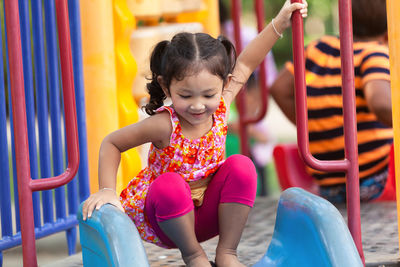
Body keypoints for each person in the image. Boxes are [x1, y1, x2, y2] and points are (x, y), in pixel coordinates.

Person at [82, 1, 308, 266]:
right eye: (186, 95)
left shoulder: (222, 104)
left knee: (242, 166)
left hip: (210, 214)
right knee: (170, 184)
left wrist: (280, 21)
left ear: (223, 84)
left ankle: (227, 253)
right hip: (168, 220)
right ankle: (194, 256)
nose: (198, 105)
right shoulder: (165, 124)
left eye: (209, 94)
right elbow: (112, 142)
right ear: (166, 88)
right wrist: (108, 190)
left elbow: (246, 62)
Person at [270, 0, 392, 203]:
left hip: (327, 184)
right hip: (374, 179)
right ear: (389, 32)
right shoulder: (375, 53)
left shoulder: (319, 48)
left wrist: (313, 128)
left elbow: (278, 88)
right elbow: (380, 103)